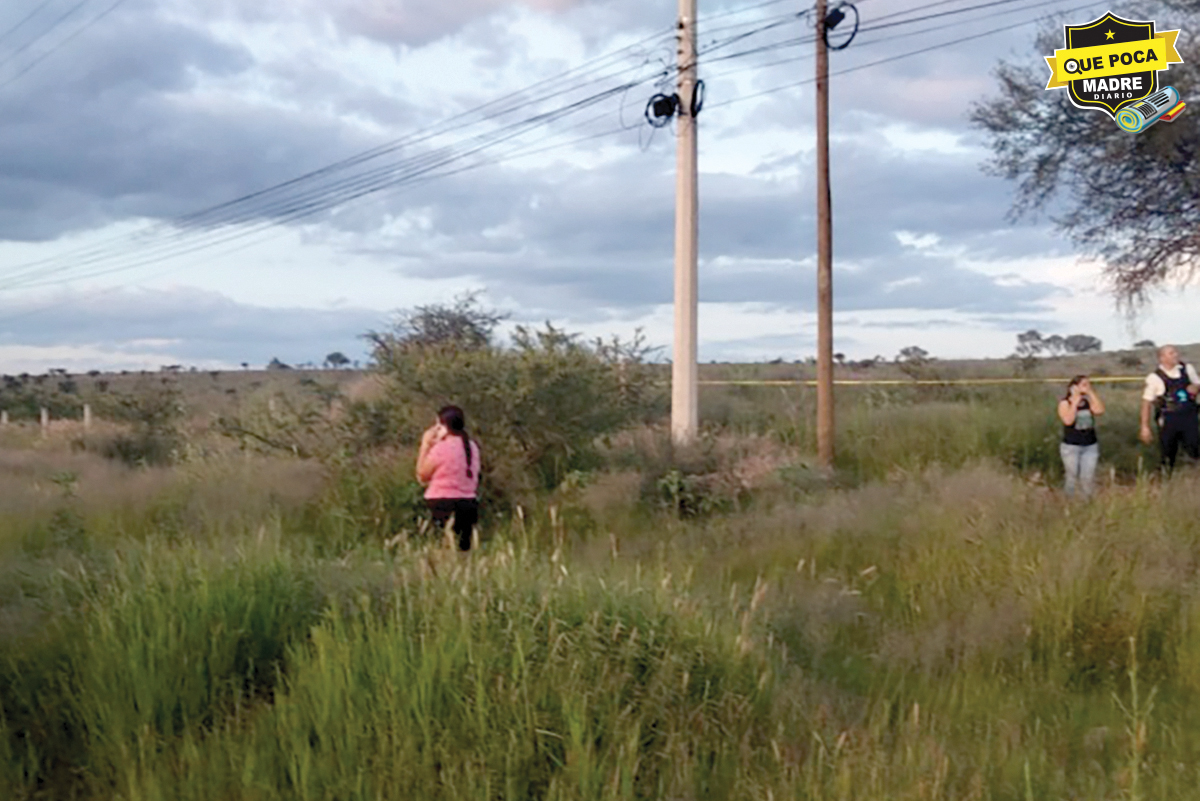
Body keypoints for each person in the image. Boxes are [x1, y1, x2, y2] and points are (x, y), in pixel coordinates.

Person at [416, 405, 481, 551]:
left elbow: (422, 474)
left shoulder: (441, 449)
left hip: (441, 503)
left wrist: (425, 445)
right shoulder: (472, 447)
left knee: (441, 548)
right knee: (463, 551)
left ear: (444, 426)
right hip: (468, 503)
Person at [1139, 345, 1200, 472]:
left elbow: (1197, 385)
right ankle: (1166, 480)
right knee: (1168, 453)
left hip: (1189, 416)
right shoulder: (1155, 378)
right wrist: (1144, 426)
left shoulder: (1187, 369)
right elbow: (1146, 402)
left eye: (1176, 352)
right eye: (1171, 353)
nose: (1176, 355)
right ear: (1162, 358)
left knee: (1194, 448)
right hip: (1169, 418)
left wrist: (1195, 388)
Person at [1058, 375, 1105, 497]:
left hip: (1090, 445)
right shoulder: (1065, 402)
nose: (1087, 387)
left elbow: (1099, 410)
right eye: (1084, 384)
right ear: (1074, 386)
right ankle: (1069, 502)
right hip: (1071, 446)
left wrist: (1091, 393)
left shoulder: (1088, 402)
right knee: (1072, 476)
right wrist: (1074, 402)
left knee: (1087, 477)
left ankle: (1086, 502)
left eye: (1088, 384)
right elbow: (1068, 420)